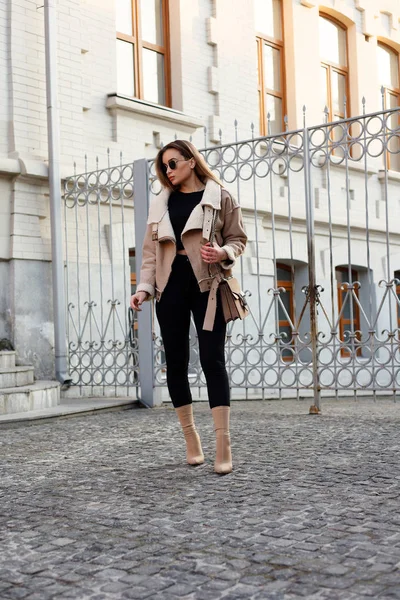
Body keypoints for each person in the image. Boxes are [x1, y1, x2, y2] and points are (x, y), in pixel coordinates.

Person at [130, 140, 247, 475]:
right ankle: (191, 439)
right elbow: (151, 254)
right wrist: (143, 289)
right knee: (177, 363)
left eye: (172, 163)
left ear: (191, 162)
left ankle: (222, 443)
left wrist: (223, 253)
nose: (168, 171)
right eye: (163, 167)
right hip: (170, 288)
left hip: (207, 286)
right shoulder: (160, 205)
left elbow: (238, 238)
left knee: (212, 360)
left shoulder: (219, 197)